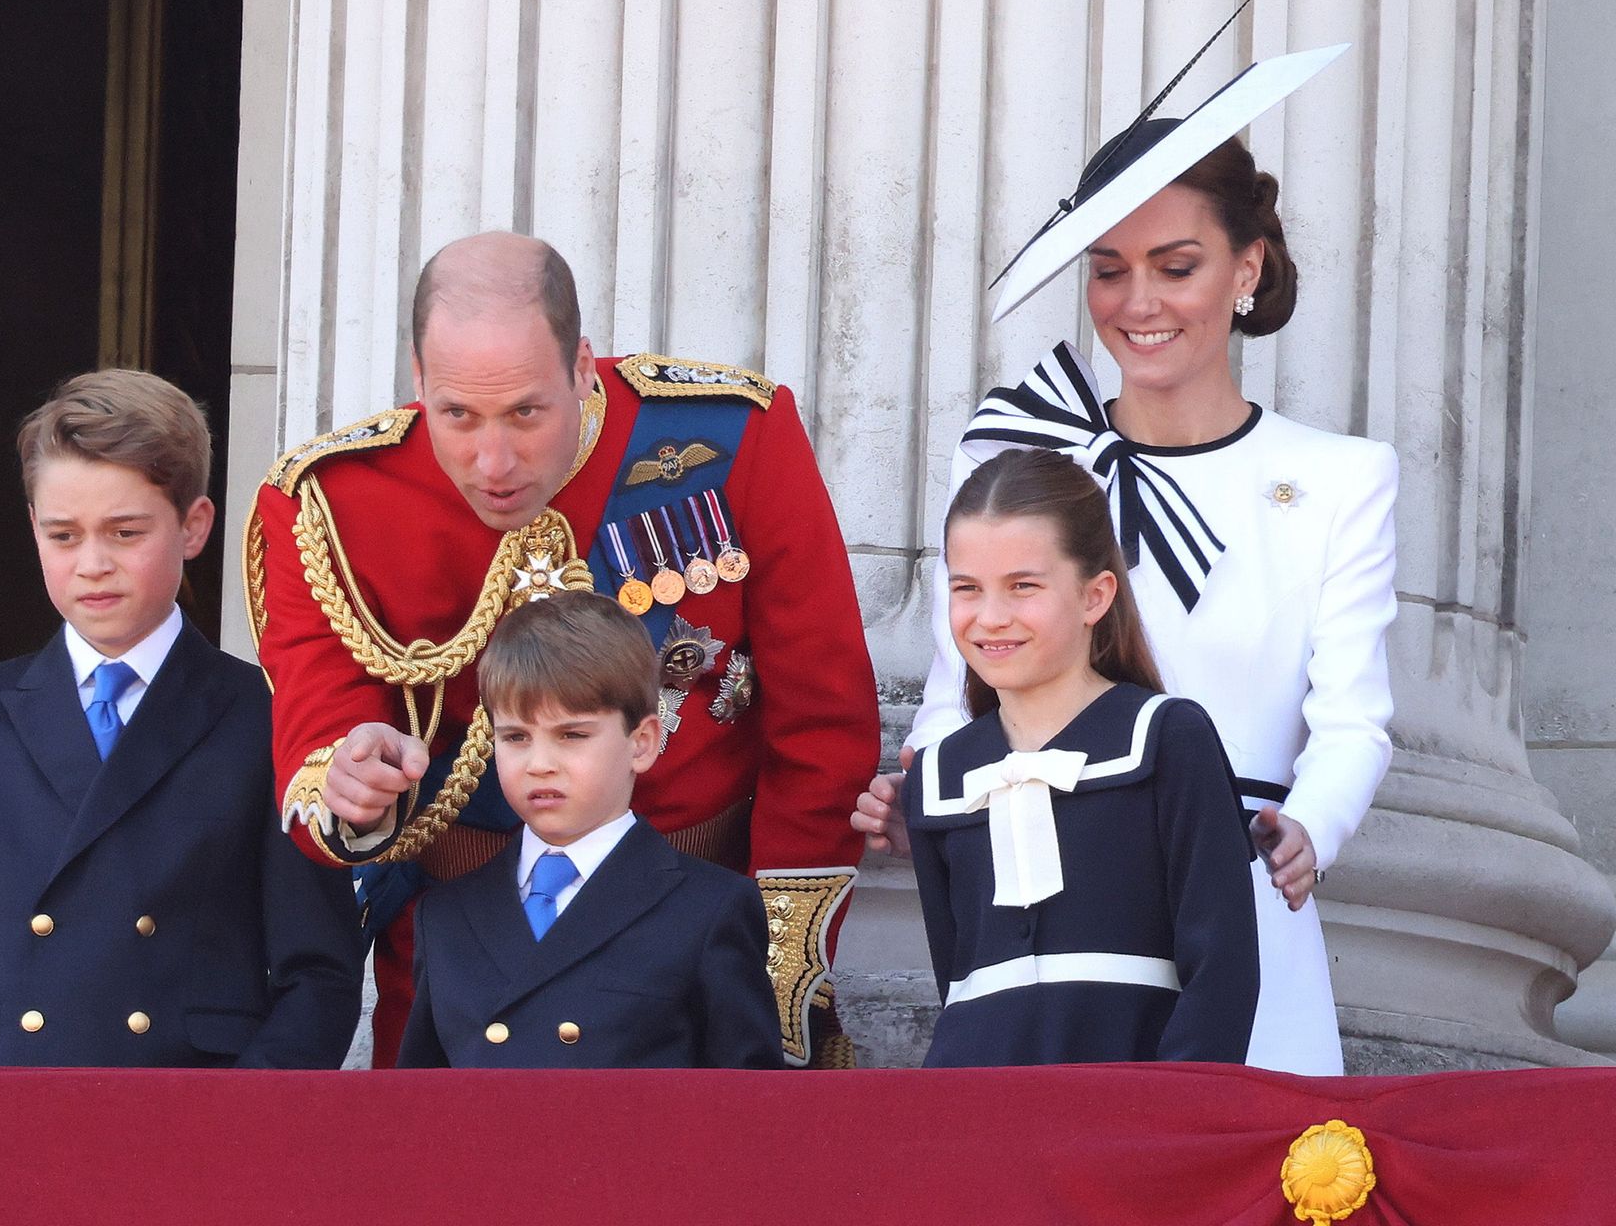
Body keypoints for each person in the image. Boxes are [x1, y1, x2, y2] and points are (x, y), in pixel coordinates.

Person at [856, 53, 1397, 1074]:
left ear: (1246, 268)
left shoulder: (1340, 478)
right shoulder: (1014, 452)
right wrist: (925, 785)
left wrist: (1309, 829)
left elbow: (1353, 718)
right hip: (1048, 902)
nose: (1138, 301)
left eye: (1176, 266)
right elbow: (958, 679)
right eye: (1109, 269)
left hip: (1238, 890)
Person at [246, 231, 877, 1067]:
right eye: (457, 416)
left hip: (693, 948)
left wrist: (777, 975)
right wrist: (353, 780)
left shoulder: (730, 438)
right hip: (465, 961)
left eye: (526, 413)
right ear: (418, 379)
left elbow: (822, 727)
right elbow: (318, 735)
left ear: (582, 368)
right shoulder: (330, 500)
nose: (494, 461)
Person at [0, 369, 364, 1068]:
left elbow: (320, 973)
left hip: (189, 1111)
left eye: (125, 532)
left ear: (194, 526)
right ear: (33, 528)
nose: (93, 564)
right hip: (4, 1109)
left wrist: (240, 1117)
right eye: (63, 536)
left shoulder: (267, 715)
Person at [905, 448, 1257, 1066]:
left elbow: (1223, 972)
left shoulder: (1167, 738)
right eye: (967, 589)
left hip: (1133, 1094)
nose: (991, 617)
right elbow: (955, 979)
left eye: (1023, 587)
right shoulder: (936, 777)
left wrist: (1174, 1111)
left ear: (1095, 596)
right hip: (971, 1099)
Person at [398, 591, 783, 1068]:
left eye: (572, 735)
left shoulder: (709, 908)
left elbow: (746, 1100)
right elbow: (424, 1100)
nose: (539, 764)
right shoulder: (445, 916)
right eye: (516, 737)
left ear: (642, 743)